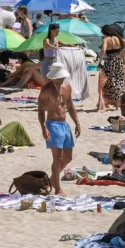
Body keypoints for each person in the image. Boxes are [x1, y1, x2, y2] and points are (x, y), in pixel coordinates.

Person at [38, 62, 81, 195]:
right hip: (53, 124)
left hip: (65, 125)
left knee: (68, 157)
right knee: (58, 158)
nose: (59, 80)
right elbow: (40, 110)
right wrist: (43, 127)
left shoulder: (67, 87)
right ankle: (57, 188)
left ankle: (51, 178)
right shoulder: (46, 90)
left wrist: (77, 123)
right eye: (57, 78)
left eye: (61, 78)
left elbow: (71, 106)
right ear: (52, 77)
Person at [97, 23, 125, 111]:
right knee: (119, 80)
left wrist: (100, 60)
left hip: (110, 60)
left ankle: (109, 102)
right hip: (118, 60)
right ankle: (117, 105)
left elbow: (103, 50)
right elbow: (124, 48)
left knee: (109, 80)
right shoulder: (118, 38)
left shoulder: (106, 39)